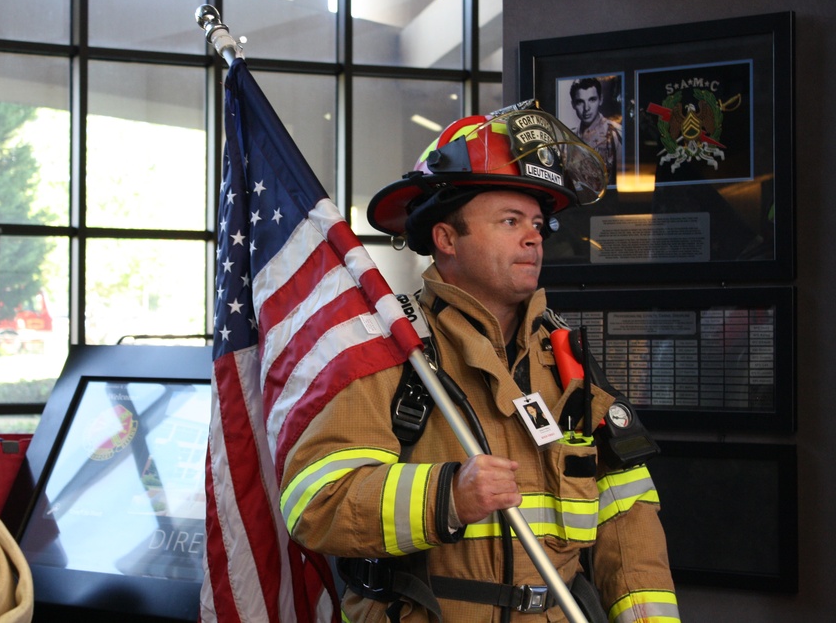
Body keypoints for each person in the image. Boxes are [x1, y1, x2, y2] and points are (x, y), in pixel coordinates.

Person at [279, 104, 678, 622]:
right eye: (510, 221)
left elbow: (628, 518)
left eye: (536, 223)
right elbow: (316, 502)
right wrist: (447, 494)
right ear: (446, 239)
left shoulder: (567, 365)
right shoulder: (386, 354)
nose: (534, 237)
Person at [569, 77, 622, 181]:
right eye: (580, 102)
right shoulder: (567, 139)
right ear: (573, 105)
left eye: (592, 100)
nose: (586, 108)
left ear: (600, 100)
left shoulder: (616, 134)